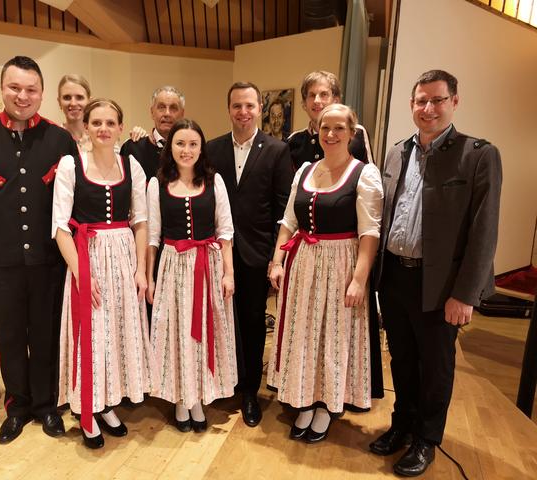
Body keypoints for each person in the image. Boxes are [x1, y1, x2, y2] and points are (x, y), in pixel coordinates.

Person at [369, 70, 502, 476]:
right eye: (421, 100)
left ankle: (427, 440)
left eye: (437, 100)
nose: (428, 108)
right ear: (411, 104)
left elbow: (484, 230)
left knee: (436, 366)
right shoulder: (395, 153)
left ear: (454, 102)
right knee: (403, 360)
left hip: (441, 284)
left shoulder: (479, 154)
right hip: (394, 276)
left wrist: (465, 294)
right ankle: (403, 425)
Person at [0, 56, 79, 444]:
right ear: (2, 87)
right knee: (8, 334)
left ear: (41, 93)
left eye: (31, 89)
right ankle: (17, 406)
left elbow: (75, 200)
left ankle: (46, 405)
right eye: (15, 88)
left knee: (45, 332)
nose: (23, 96)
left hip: (48, 259)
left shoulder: (60, 139)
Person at [267, 104, 383, 443]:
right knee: (303, 334)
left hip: (340, 264)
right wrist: (277, 262)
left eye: (338, 128)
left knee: (332, 336)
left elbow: (369, 233)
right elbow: (288, 221)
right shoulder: (304, 169)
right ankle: (304, 398)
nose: (330, 135)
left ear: (352, 132)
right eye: (325, 128)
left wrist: (359, 280)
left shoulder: (364, 174)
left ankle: (327, 405)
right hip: (302, 264)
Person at [52, 99, 156, 449]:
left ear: (120, 128)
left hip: (125, 257)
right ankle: (87, 407)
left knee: (116, 333)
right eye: (96, 122)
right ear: (87, 125)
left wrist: (141, 269)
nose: (103, 129)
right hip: (88, 256)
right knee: (92, 334)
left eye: (110, 122)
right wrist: (82, 273)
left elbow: (141, 221)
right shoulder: (71, 165)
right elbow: (60, 228)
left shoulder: (133, 166)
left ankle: (107, 401)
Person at [206, 82, 293, 427]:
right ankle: (224, 381)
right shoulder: (211, 149)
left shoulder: (276, 150)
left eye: (249, 106)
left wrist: (275, 258)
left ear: (259, 108)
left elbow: (282, 208)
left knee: (254, 324)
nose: (243, 112)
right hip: (218, 254)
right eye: (236, 106)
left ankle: (250, 393)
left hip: (256, 255)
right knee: (222, 322)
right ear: (228, 108)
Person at [146, 118, 237, 433]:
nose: (186, 150)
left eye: (193, 144)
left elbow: (225, 231)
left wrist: (228, 273)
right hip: (173, 265)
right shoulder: (156, 184)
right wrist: (150, 277)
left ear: (202, 148)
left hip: (208, 265)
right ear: (170, 148)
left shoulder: (215, 182)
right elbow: (152, 237)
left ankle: (198, 398)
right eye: (180, 143)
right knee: (178, 335)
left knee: (203, 334)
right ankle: (181, 400)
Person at [288, 71, 373, 170]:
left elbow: (370, 176)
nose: (316, 101)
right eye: (312, 95)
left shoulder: (356, 133)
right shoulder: (293, 141)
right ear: (304, 104)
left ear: (336, 101)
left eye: (323, 94)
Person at [120, 86, 185, 182]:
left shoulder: (190, 151)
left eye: (173, 108)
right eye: (161, 107)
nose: (167, 113)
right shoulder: (132, 148)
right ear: (152, 112)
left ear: (182, 114)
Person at [57, 74, 92, 152]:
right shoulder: (53, 138)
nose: (73, 103)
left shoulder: (99, 136)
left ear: (89, 102)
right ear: (59, 102)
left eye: (79, 97)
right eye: (67, 97)